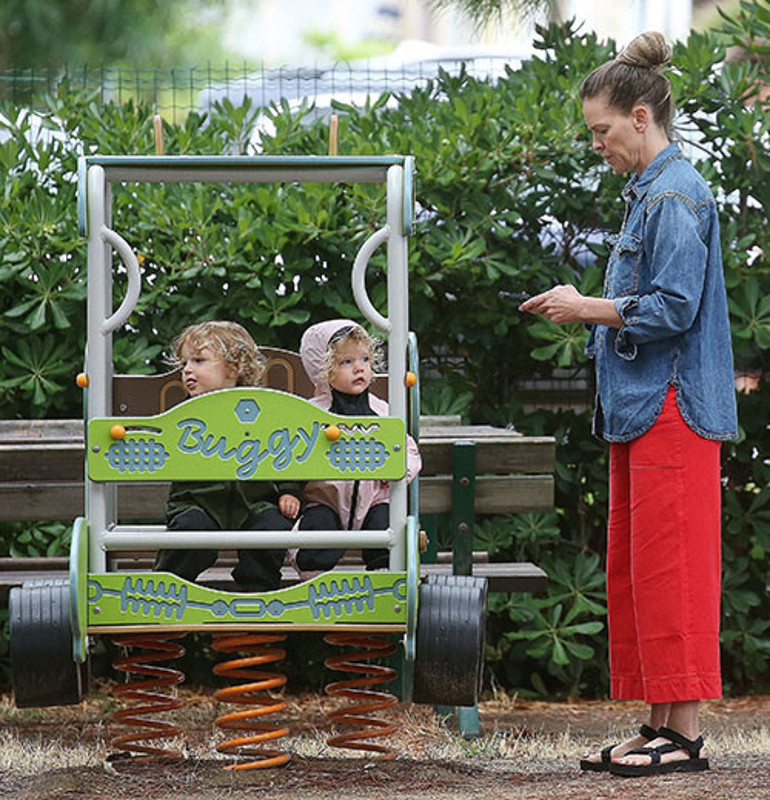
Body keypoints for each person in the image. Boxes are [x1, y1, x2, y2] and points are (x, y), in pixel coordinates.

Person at [520, 31, 738, 777]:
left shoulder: (675, 194)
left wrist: (589, 308)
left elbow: (674, 307)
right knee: (644, 571)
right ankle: (658, 725)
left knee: (672, 569)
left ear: (641, 118)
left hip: (672, 408)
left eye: (602, 131)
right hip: (647, 408)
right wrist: (592, 307)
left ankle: (682, 737)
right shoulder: (654, 191)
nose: (597, 145)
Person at [155, 321, 301, 592]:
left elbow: (287, 451)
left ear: (234, 368)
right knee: (190, 530)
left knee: (272, 526)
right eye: (184, 363)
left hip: (254, 502)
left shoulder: (263, 412)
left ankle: (257, 592)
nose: (187, 369)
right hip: (197, 502)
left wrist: (289, 491)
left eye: (199, 360)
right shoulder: (184, 417)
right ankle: (165, 588)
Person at [293, 319, 421, 572]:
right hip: (327, 499)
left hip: (373, 497)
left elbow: (408, 448)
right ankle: (313, 577)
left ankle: (384, 575)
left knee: (386, 521)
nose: (359, 369)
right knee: (318, 528)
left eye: (364, 360)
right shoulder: (312, 414)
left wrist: (398, 471)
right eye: (346, 362)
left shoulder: (382, 411)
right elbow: (293, 452)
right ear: (323, 369)